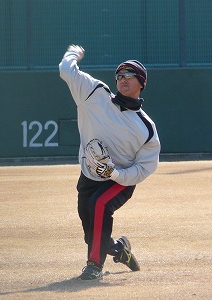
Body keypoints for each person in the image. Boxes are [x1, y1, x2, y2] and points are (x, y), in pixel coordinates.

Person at [59, 45, 161, 280]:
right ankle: (118, 249)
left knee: (99, 206)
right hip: (88, 176)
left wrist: (115, 173)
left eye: (129, 75)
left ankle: (94, 266)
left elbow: (145, 168)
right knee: (92, 231)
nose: (122, 79)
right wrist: (74, 53)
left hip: (121, 181)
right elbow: (66, 69)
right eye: (119, 75)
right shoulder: (94, 94)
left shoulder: (145, 127)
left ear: (141, 82)